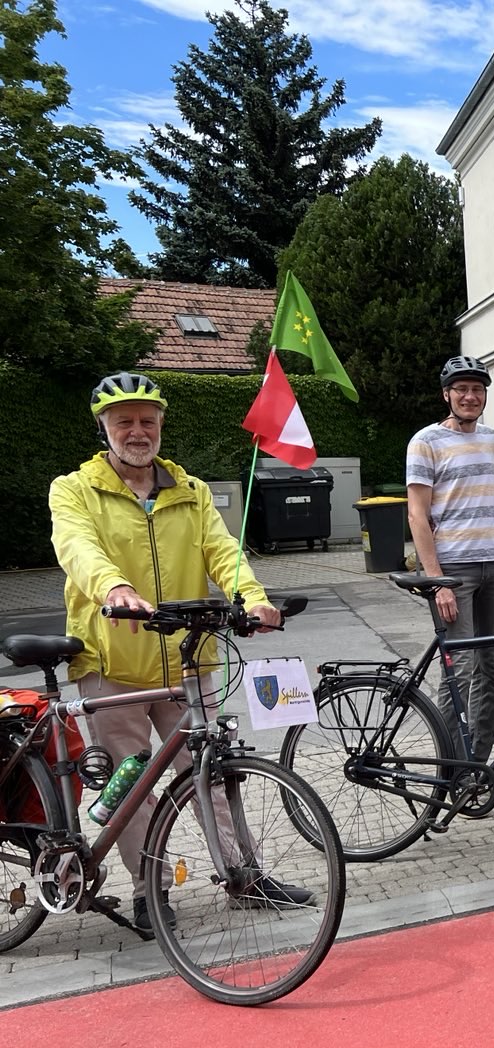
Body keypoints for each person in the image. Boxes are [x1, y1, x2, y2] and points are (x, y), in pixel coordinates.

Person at [48, 373, 307, 933]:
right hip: (114, 661)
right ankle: (148, 887)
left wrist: (253, 599)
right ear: (105, 429)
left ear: (161, 426)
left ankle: (243, 875)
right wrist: (113, 588)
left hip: (189, 658)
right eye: (125, 422)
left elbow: (222, 550)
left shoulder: (188, 490)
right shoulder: (74, 488)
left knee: (211, 772)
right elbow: (77, 547)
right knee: (132, 781)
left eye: (148, 421)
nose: (137, 432)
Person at [406, 355, 494, 765]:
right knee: (459, 671)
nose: (470, 396)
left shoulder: (490, 439)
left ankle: (477, 765)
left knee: (491, 670)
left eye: (477, 389)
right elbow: (417, 514)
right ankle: (450, 766)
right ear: (447, 394)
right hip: (455, 570)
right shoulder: (425, 441)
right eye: (462, 389)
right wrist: (437, 580)